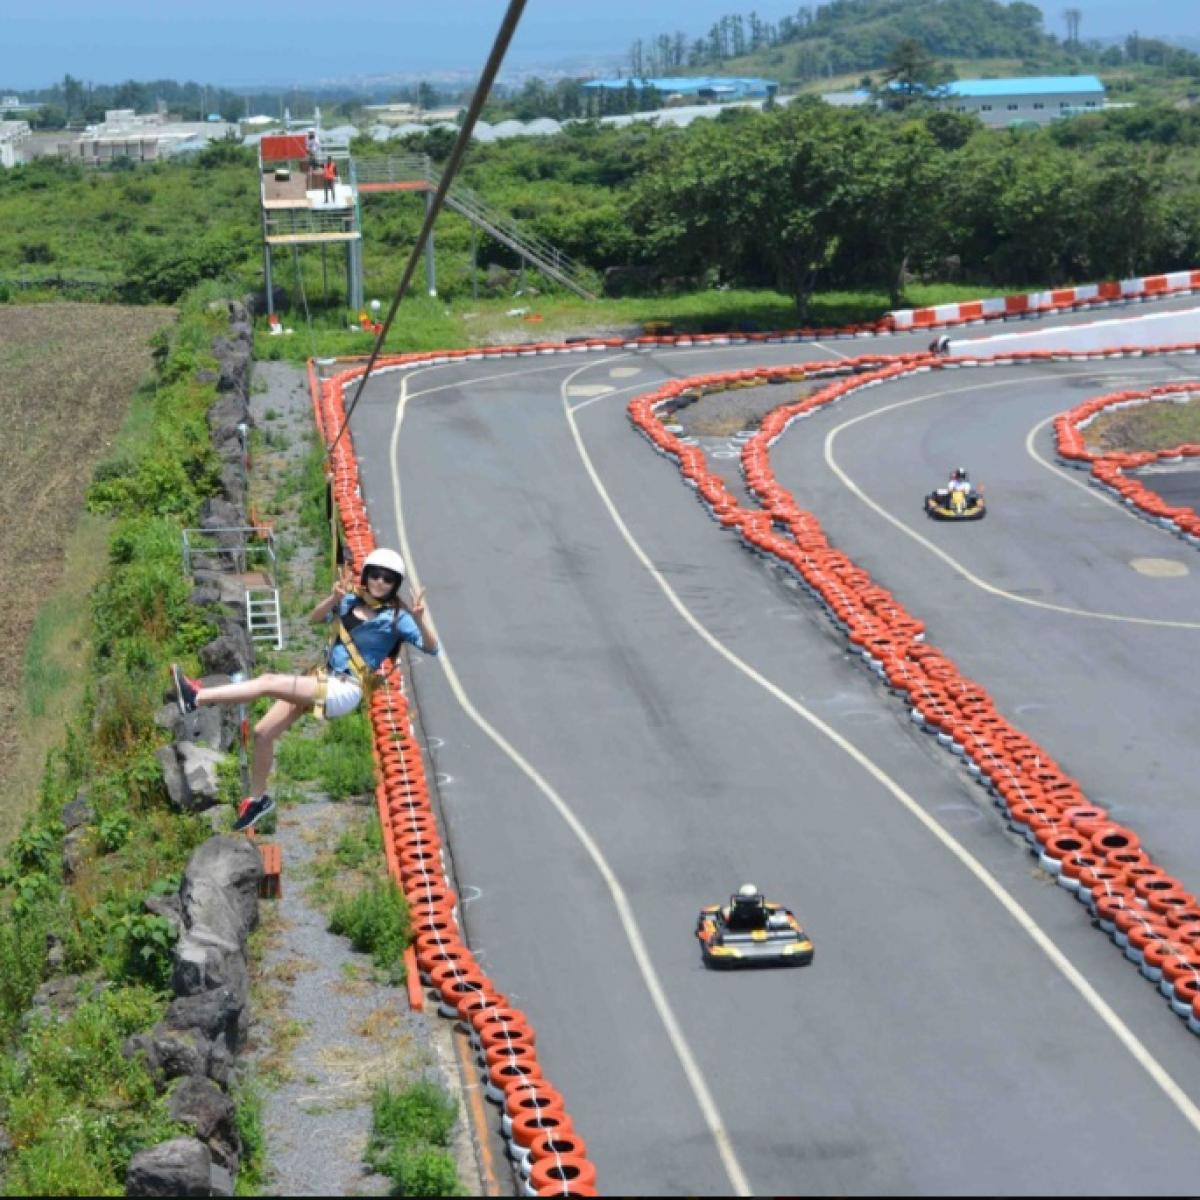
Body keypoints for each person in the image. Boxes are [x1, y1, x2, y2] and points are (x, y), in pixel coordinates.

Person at [171, 548, 438, 831]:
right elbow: (315, 617)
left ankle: (196, 697)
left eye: (388, 578)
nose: (380, 582)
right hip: (323, 678)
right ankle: (258, 799)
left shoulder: (398, 618)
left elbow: (433, 649)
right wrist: (333, 599)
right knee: (262, 733)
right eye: (375, 574)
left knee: (267, 682)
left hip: (344, 688)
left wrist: (420, 619)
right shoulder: (349, 601)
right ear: (366, 574)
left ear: (396, 584)